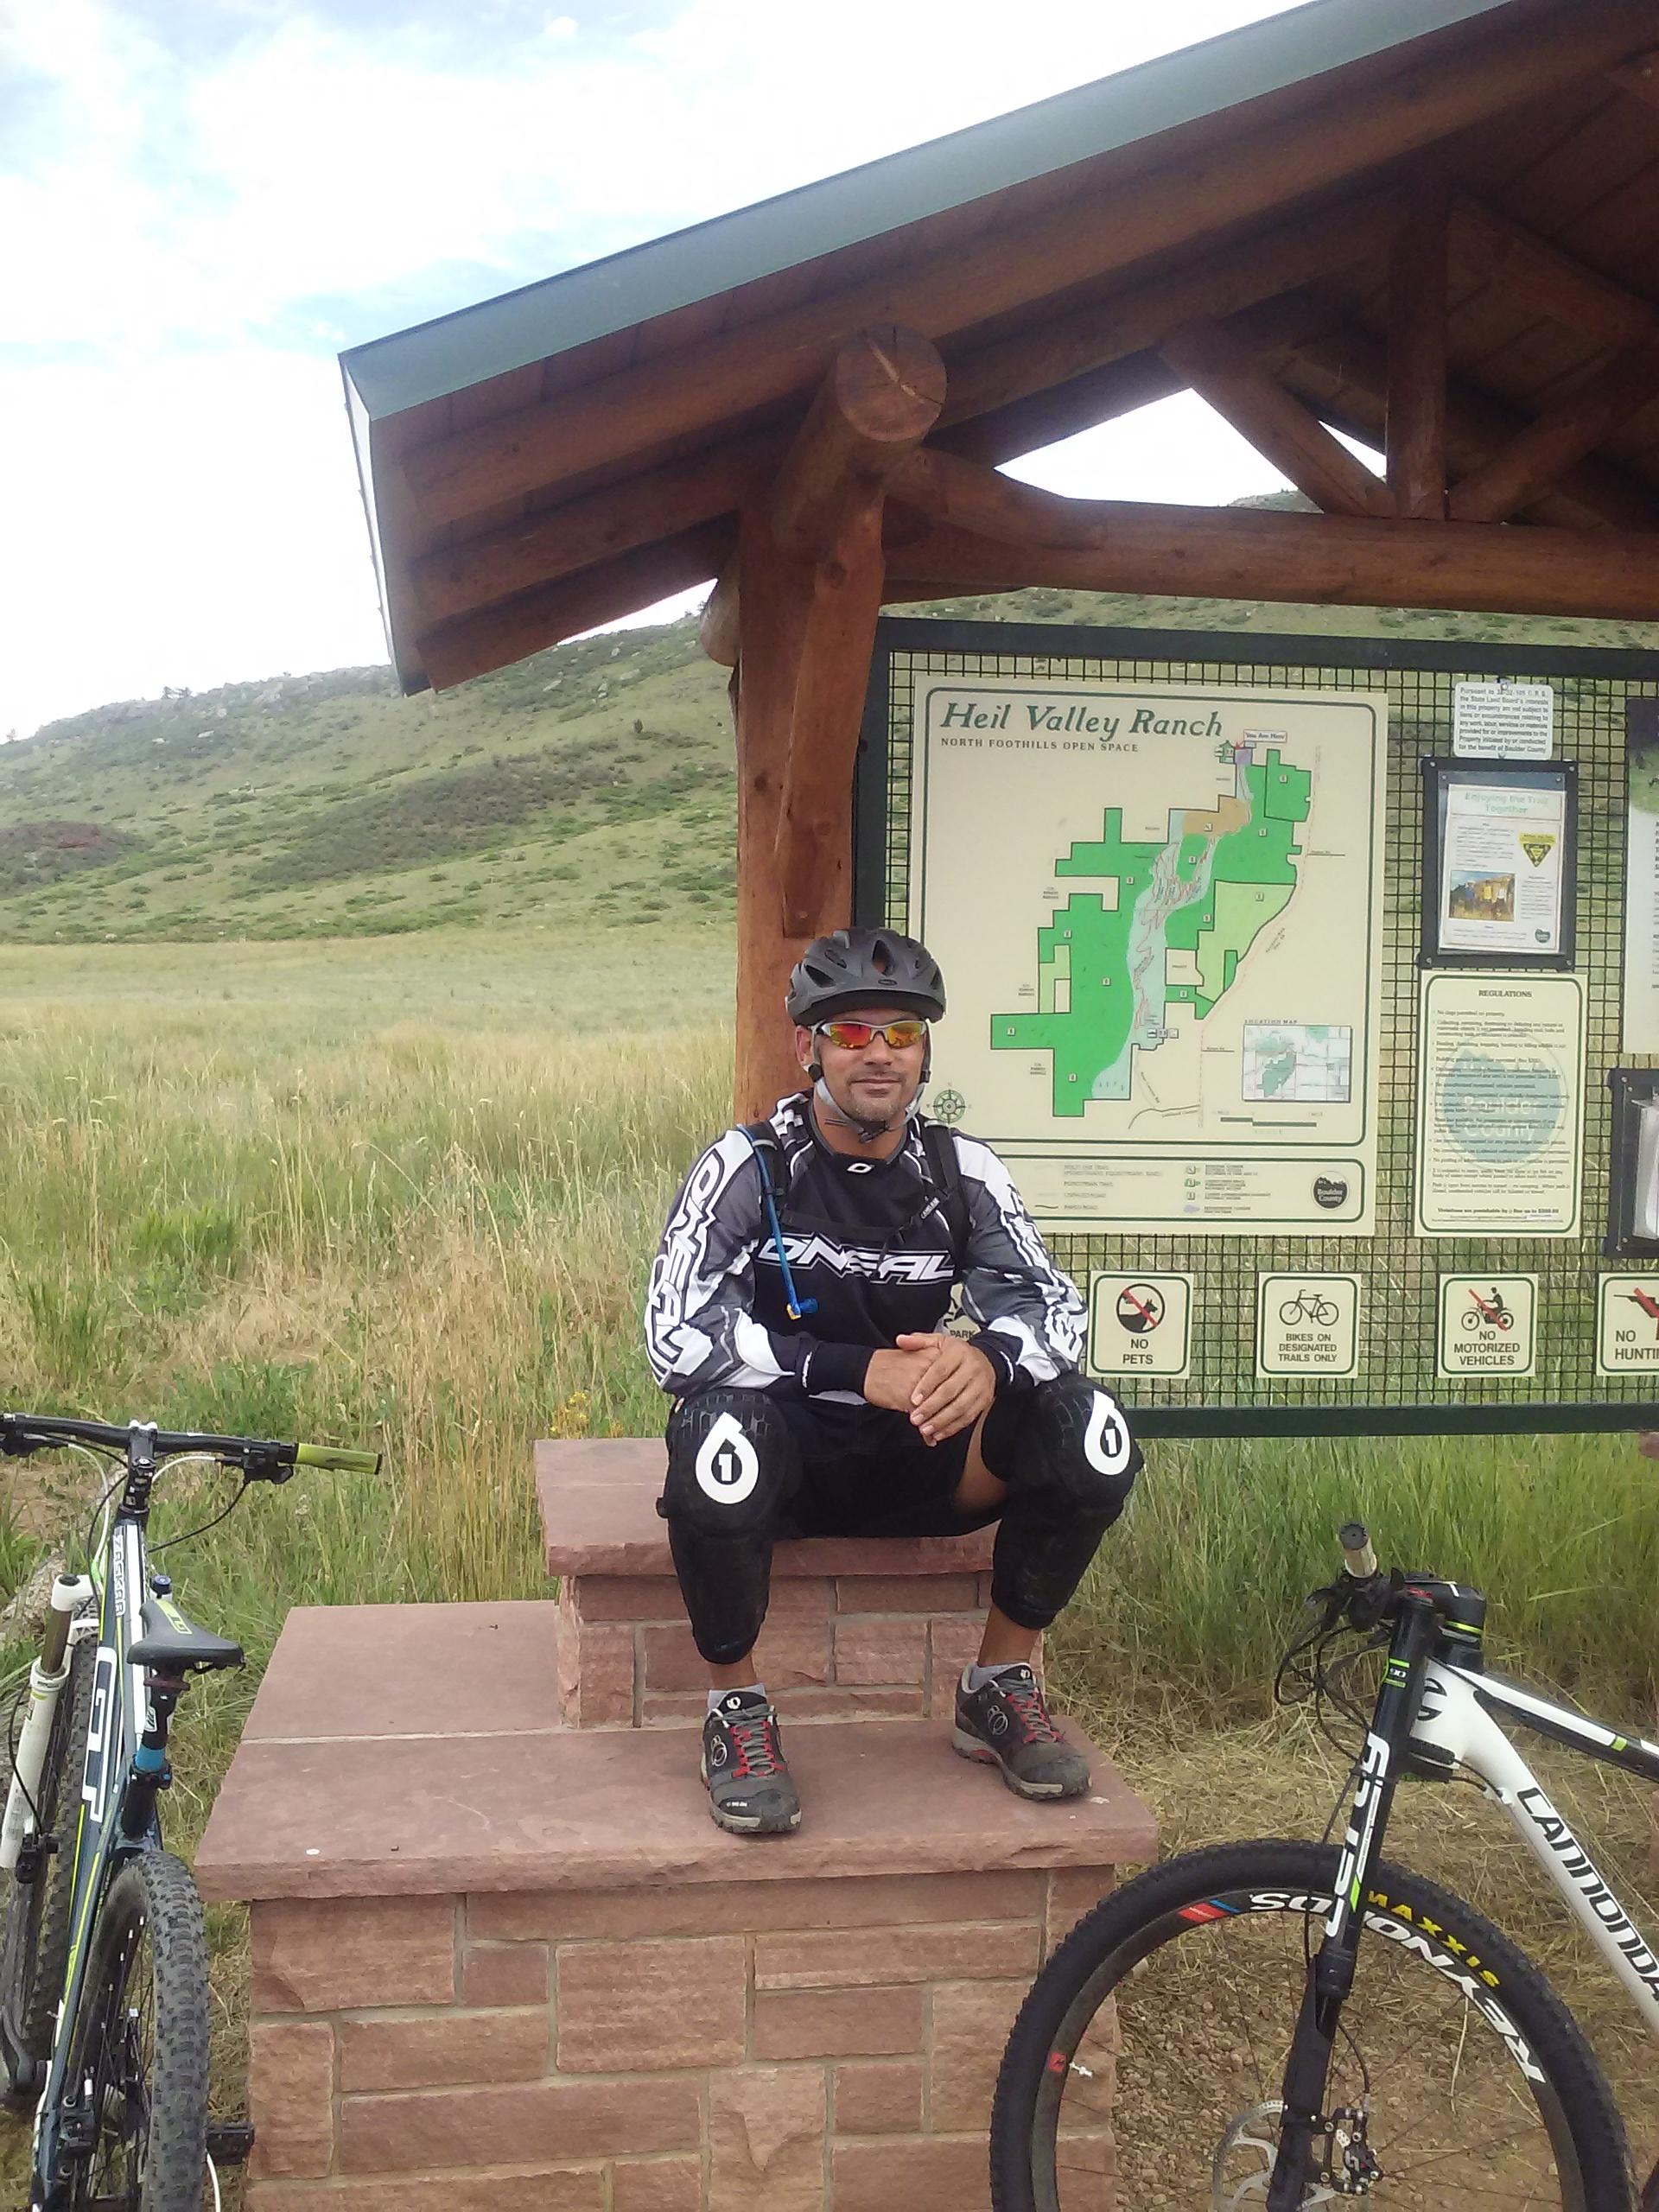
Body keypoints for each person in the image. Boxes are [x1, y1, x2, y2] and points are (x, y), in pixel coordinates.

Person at [644, 926, 1141, 1836]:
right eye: (852, 1030)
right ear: (810, 1047)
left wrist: (987, 1359)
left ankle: (997, 1685)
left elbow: (1055, 1311)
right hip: (787, 1461)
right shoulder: (748, 1165)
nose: (879, 1053)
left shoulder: (961, 1169)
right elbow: (673, 1336)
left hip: (927, 1456)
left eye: (903, 1033)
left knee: (1093, 1432)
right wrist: (845, 1367)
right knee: (717, 1443)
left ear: (924, 1051)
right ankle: (736, 1710)